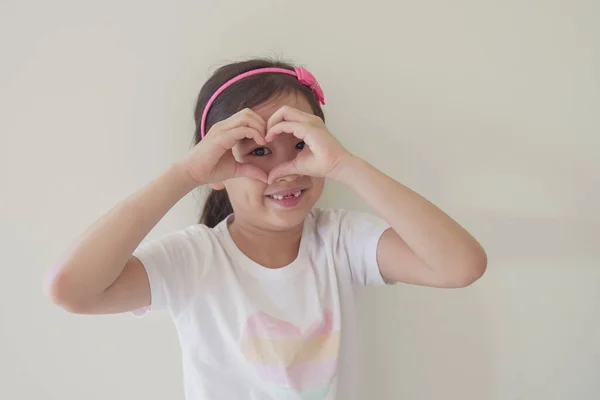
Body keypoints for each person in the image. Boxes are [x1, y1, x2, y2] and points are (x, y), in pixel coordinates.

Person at [45, 58, 487, 400]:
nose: (284, 170)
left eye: (300, 145)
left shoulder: (341, 242)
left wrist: (344, 166)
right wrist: (185, 174)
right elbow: (71, 289)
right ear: (217, 162)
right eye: (257, 152)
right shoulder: (194, 260)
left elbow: (460, 265)